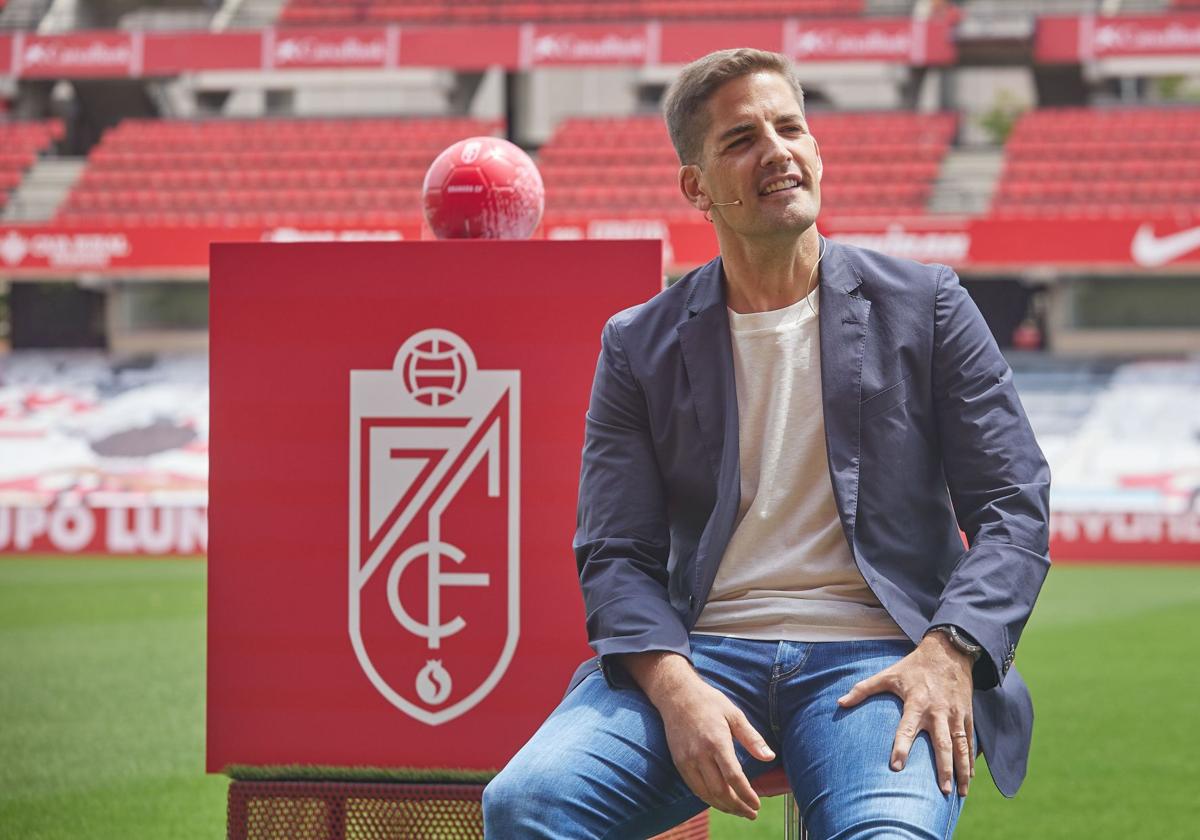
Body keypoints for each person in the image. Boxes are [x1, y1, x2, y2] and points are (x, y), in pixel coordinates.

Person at [483, 48, 1050, 839]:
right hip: (702, 654)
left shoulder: (927, 306)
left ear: (817, 151)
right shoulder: (637, 344)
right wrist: (675, 688)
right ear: (697, 187)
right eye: (741, 139)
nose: (777, 150)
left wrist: (950, 649)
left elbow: (1013, 509)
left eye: (790, 127)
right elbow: (615, 554)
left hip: (879, 659)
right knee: (527, 803)